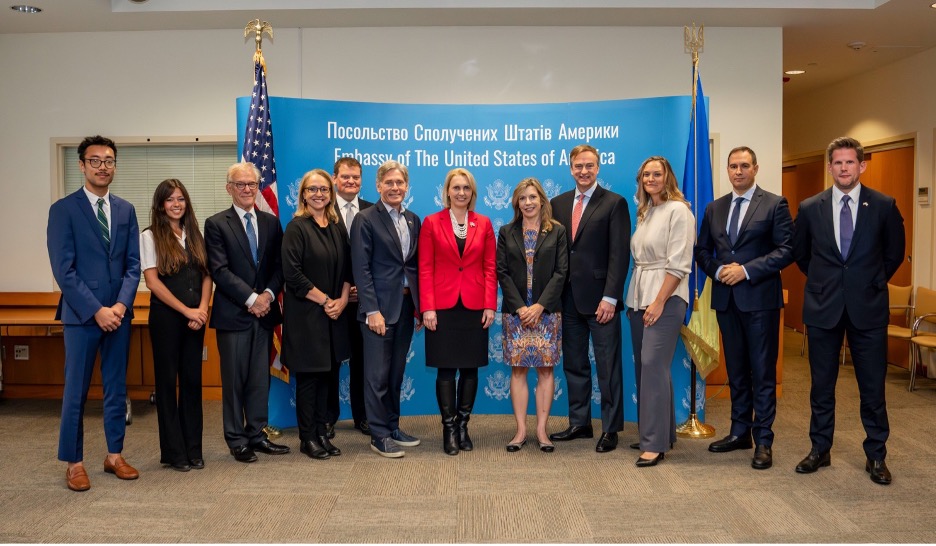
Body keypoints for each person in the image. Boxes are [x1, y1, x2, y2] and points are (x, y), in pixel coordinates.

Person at [792, 137, 905, 485]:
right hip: (823, 308)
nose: (843, 169)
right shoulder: (811, 207)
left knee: (872, 388)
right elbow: (801, 255)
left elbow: (894, 254)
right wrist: (829, 282)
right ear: (829, 167)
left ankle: (876, 456)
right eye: (837, 163)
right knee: (821, 386)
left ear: (862, 166)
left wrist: (867, 281)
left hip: (868, 309)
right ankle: (819, 449)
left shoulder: (884, 205)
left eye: (850, 163)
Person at [47, 135, 141, 491]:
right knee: (77, 391)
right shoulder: (64, 210)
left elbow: (134, 265)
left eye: (109, 161)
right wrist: (96, 310)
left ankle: (114, 455)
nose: (104, 167)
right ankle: (74, 462)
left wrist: (119, 306)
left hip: (118, 314)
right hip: (82, 317)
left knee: (117, 388)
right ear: (82, 165)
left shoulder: (126, 209)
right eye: (96, 160)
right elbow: (64, 270)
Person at [695, 146, 794, 470]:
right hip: (726, 300)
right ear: (727, 170)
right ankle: (740, 432)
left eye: (744, 166)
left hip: (760, 301)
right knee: (736, 371)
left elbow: (787, 249)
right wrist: (718, 271)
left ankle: (763, 440)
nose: (738, 171)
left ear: (755, 168)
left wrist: (746, 269)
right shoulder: (715, 208)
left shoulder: (774, 204)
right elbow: (702, 251)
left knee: (762, 373)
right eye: (733, 166)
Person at [204, 161, 290, 463]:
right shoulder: (216, 224)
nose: (246, 189)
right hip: (235, 316)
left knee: (258, 380)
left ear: (258, 187)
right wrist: (251, 298)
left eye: (251, 184)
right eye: (240, 184)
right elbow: (220, 270)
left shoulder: (270, 222)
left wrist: (266, 296)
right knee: (234, 381)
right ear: (229, 188)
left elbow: (279, 267)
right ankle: (236, 439)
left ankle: (256, 434)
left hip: (264, 314)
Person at [549, 144, 631, 453]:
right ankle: (580, 422)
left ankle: (610, 428)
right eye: (578, 166)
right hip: (567, 300)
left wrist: (610, 297)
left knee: (608, 366)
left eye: (589, 166)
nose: (584, 171)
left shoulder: (614, 203)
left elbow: (619, 254)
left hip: (601, 302)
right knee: (575, 364)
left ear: (598, 168)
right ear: (570, 169)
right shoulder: (556, 204)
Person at [418, 168, 497, 455]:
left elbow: (490, 267)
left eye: (466, 188)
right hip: (442, 306)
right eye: (456, 188)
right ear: (447, 191)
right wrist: (427, 307)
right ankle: (449, 428)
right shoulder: (431, 222)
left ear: (472, 192)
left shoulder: (484, 223)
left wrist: (490, 304)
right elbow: (424, 268)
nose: (461, 192)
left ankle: (464, 426)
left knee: (471, 368)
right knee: (446, 368)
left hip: (475, 307)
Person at [625, 156, 695, 467]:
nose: (651, 179)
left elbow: (679, 264)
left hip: (666, 297)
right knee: (648, 367)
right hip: (638, 295)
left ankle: (653, 445)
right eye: (646, 175)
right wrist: (642, 300)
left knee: (653, 363)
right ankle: (661, 434)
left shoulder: (679, 211)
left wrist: (658, 301)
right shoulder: (646, 211)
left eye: (657, 174)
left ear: (668, 178)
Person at [351, 160, 423, 458]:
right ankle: (378, 434)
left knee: (395, 373)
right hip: (379, 310)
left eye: (400, 183)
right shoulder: (365, 219)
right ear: (378, 186)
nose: (395, 188)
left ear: (407, 187)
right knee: (377, 375)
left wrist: (419, 308)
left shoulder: (413, 219)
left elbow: (414, 266)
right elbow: (361, 268)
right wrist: (371, 311)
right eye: (389, 183)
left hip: (406, 307)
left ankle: (393, 426)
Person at [141, 179, 212, 472]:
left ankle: (194, 448)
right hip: (167, 319)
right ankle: (174, 452)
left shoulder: (195, 234)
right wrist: (187, 311)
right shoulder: (149, 236)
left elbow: (208, 275)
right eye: (170, 200)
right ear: (160, 205)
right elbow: (152, 282)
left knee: (193, 384)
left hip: (197, 319)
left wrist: (203, 310)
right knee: (168, 385)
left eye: (181, 199)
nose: (176, 204)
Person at [281, 169, 352, 460]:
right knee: (310, 380)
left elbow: (349, 268)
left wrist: (343, 300)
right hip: (308, 316)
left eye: (323, 189)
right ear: (303, 195)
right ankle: (307, 437)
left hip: (336, 314)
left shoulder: (337, 226)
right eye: (312, 189)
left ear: (331, 194)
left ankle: (323, 431)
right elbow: (292, 275)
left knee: (329, 377)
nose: (319, 194)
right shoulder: (297, 227)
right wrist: (326, 301)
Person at [497, 178, 569, 453]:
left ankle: (541, 430)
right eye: (522, 198)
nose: (528, 203)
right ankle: (520, 431)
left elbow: (562, 272)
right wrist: (520, 307)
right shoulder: (506, 232)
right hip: (516, 314)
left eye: (532, 197)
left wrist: (540, 306)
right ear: (517, 203)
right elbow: (501, 271)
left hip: (547, 313)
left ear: (542, 200)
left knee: (545, 370)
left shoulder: (557, 232)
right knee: (518, 371)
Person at [327, 156, 373, 437]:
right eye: (345, 177)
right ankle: (328, 418)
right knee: (331, 362)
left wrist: (363, 290)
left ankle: (363, 416)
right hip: (331, 302)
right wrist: (342, 292)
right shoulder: (322, 209)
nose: (351, 181)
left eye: (356, 177)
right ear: (334, 178)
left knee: (364, 362)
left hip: (365, 301)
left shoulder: (371, 210)